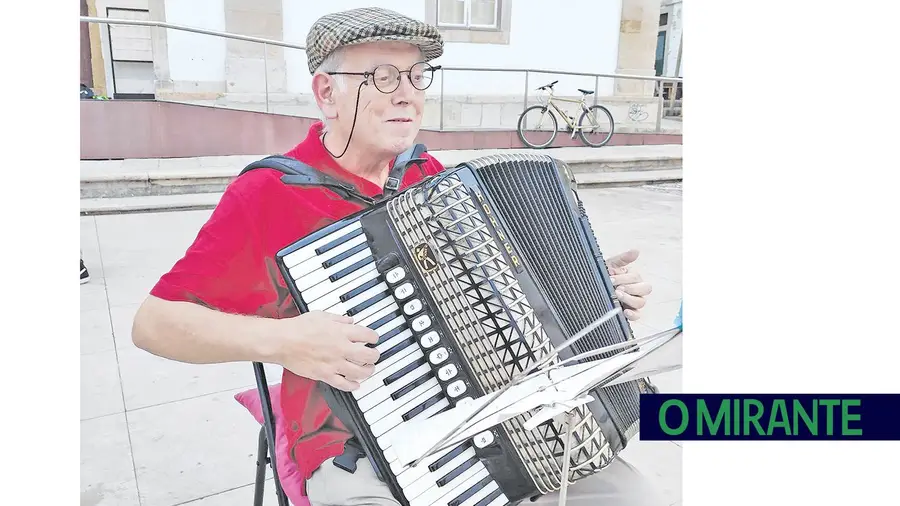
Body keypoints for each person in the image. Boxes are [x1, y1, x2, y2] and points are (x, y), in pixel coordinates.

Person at [132, 7, 658, 506]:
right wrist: (283, 340)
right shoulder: (270, 194)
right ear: (326, 92)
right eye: (383, 77)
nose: (407, 94)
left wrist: (585, 294)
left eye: (416, 76)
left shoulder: (429, 178)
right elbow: (154, 324)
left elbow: (499, 296)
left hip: (490, 417)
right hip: (347, 438)